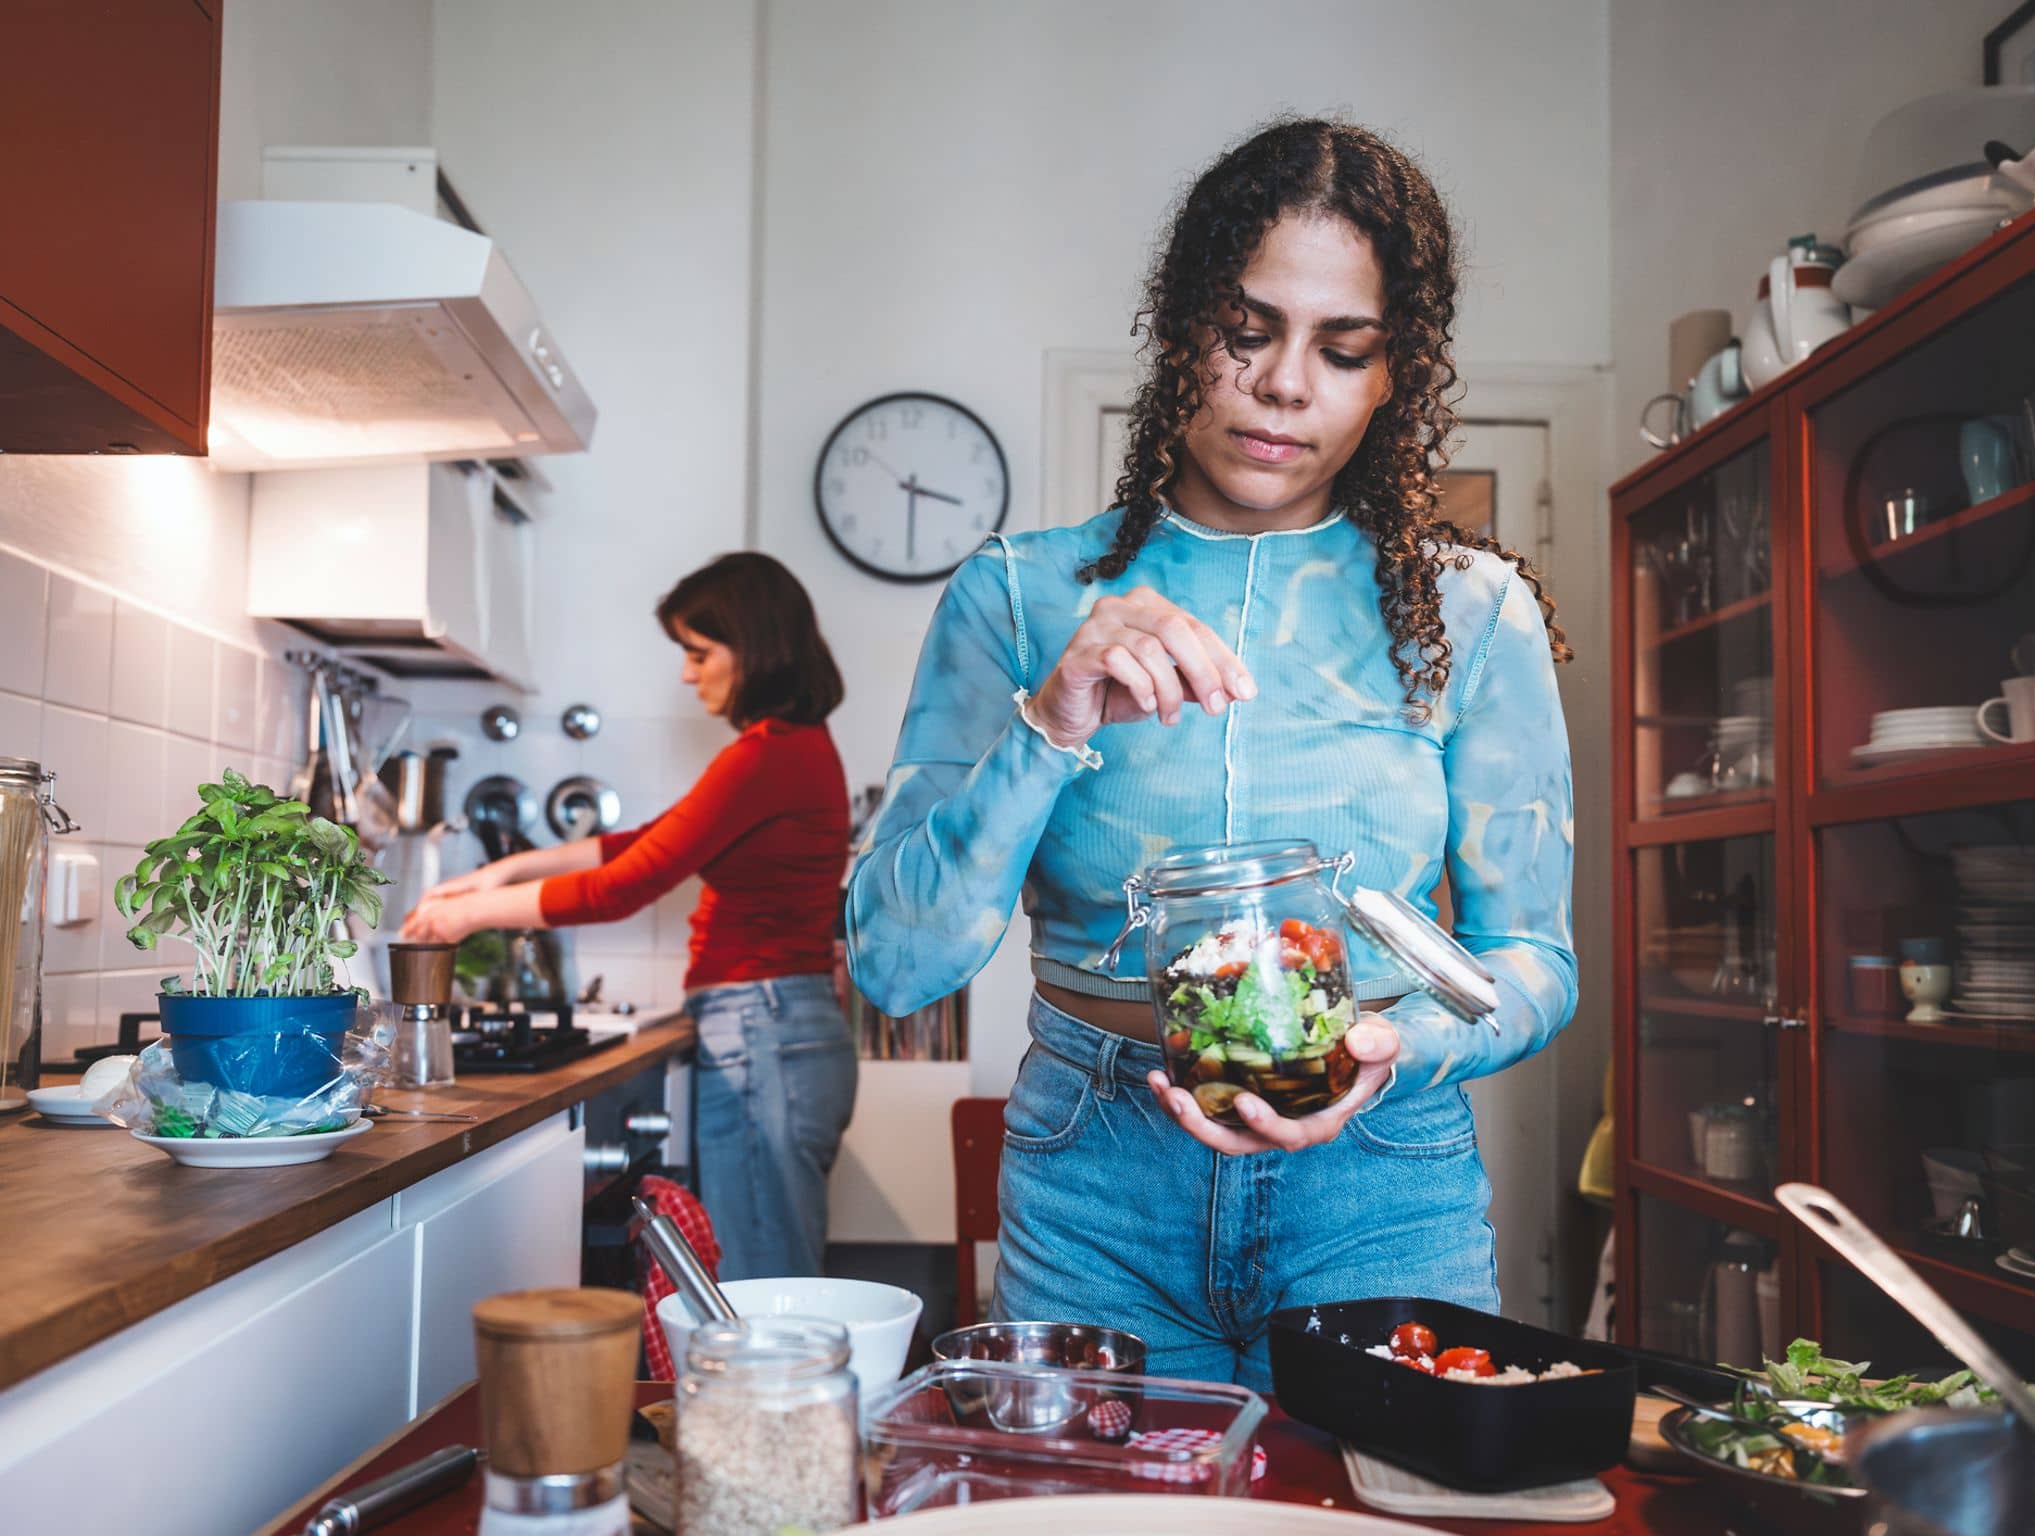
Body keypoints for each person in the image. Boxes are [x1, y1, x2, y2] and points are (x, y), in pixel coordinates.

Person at [845, 118, 1577, 1386]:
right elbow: (895, 965)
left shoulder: (1472, 613)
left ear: (1390, 375)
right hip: (1094, 1180)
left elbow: (1532, 960)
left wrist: (1403, 1048)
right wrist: (1048, 725)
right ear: (1181, 330)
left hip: (1383, 1181)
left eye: (1340, 349)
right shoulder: (1017, 598)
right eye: (1246, 331)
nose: (1284, 384)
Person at [405, 553, 857, 1280]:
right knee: (767, 1279)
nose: (686, 672)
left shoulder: (767, 756)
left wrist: (471, 916)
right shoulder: (789, 752)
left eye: (699, 652)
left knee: (763, 1291)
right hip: (776, 1027)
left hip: (762, 1030)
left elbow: (623, 887)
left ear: (757, 648)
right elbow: (647, 839)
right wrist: (503, 870)